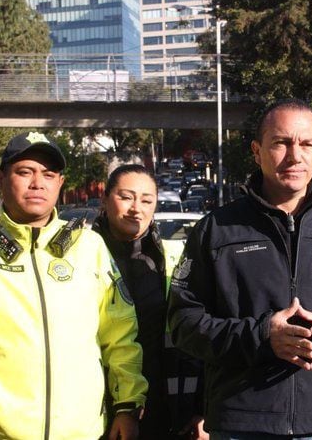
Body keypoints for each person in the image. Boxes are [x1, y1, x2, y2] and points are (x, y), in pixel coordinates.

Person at [167, 99, 312, 439]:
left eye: (306, 144)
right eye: (281, 143)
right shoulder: (215, 230)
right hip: (241, 421)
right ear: (257, 150)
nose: (295, 156)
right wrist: (260, 336)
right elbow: (183, 322)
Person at [0, 132, 148, 440]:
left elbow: (119, 334)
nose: (37, 184)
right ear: (0, 179)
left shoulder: (88, 246)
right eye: (24, 172)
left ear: (60, 183)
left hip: (82, 431)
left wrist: (126, 407)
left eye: (48, 174)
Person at [93, 164, 207, 440]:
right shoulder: (78, 257)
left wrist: (202, 410)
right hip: (94, 408)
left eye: (146, 200)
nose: (137, 208)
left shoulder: (173, 259)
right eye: (126, 197)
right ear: (105, 199)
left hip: (164, 408)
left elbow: (198, 338)